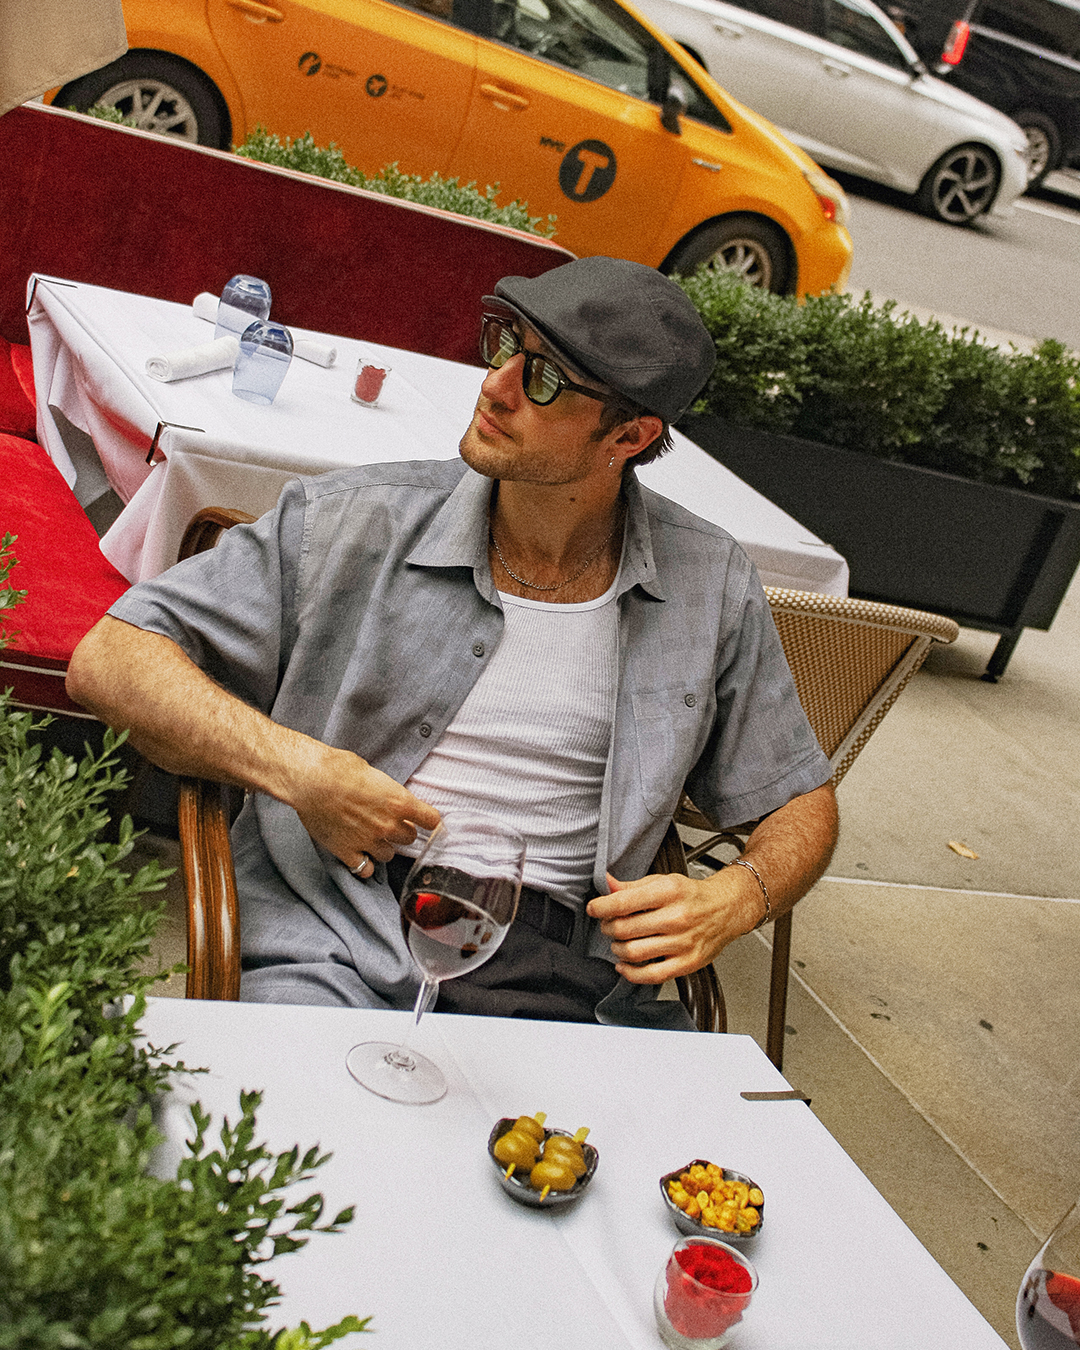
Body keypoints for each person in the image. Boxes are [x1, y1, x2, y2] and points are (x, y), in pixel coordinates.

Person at [67, 256, 838, 1030]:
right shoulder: (352, 522)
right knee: (306, 1105)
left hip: (574, 981)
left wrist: (739, 894)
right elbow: (111, 658)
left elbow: (802, 799)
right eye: (505, 344)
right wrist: (299, 769)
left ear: (629, 435)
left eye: (544, 379)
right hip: (339, 935)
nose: (496, 385)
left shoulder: (708, 583)